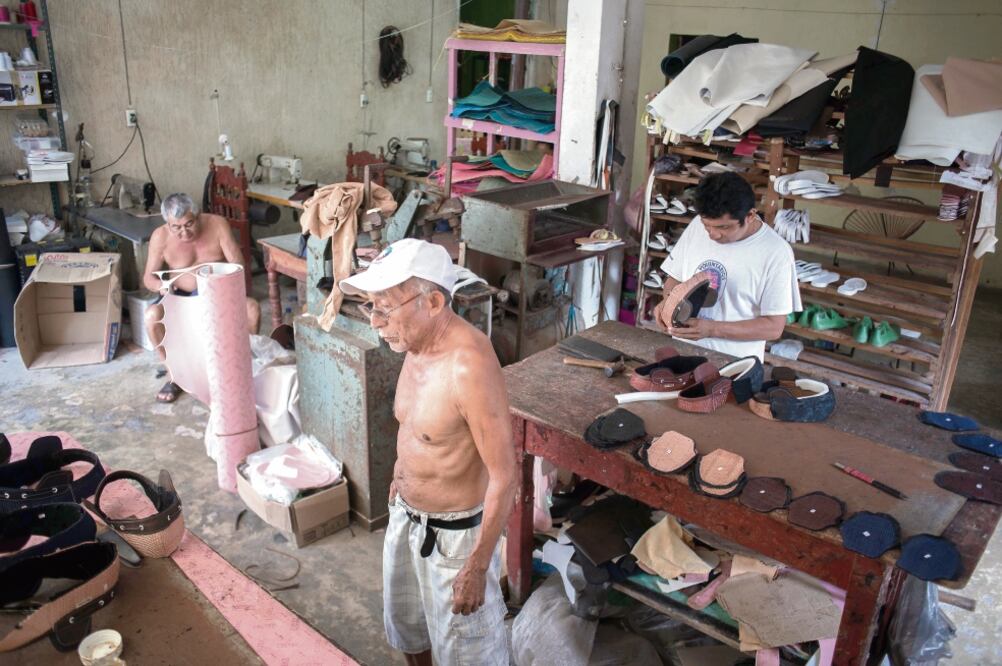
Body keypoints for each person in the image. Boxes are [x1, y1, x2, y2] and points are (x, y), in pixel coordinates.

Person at [339, 239, 516, 666]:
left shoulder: (468, 364)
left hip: (456, 539)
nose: (376, 322)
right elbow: (418, 426)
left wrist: (477, 566)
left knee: (466, 654)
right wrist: (401, 476)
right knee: (409, 628)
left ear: (433, 302)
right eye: (371, 307)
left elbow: (506, 476)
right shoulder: (414, 343)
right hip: (406, 516)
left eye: (386, 308)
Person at [655, 171, 801, 359]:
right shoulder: (697, 227)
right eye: (707, 225)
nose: (713, 234)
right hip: (683, 354)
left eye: (724, 227)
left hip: (734, 364)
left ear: (749, 216)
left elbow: (773, 327)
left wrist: (713, 329)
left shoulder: (776, 253)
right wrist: (668, 302)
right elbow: (674, 278)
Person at [143, 193, 261, 402]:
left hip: (218, 294)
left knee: (252, 309)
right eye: (176, 227)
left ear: (197, 216)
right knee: (151, 317)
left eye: (189, 224)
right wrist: (161, 286)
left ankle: (241, 369)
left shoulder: (216, 224)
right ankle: (174, 375)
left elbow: (239, 265)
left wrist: (220, 285)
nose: (184, 232)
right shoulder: (160, 237)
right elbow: (148, 278)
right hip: (179, 298)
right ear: (167, 224)